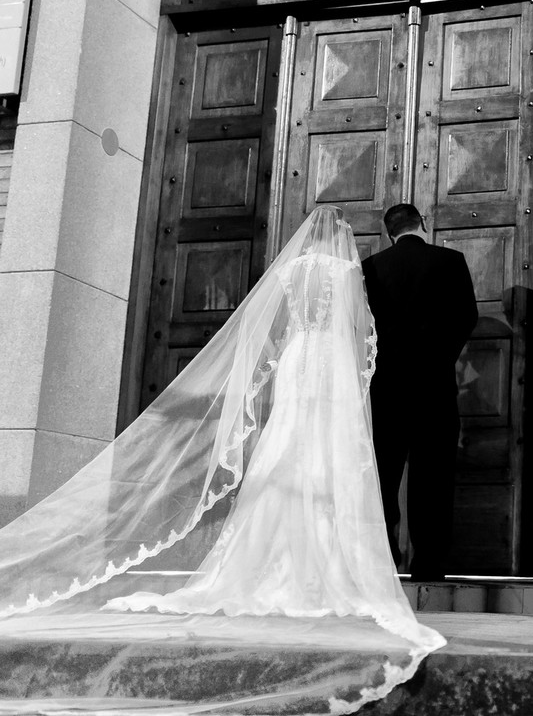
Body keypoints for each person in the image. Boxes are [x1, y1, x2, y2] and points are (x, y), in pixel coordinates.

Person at [0, 205, 443, 715]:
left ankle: (261, 557)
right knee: (332, 453)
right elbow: (360, 334)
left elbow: (276, 330)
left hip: (298, 361)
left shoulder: (293, 269)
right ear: (342, 236)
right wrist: (359, 374)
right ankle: (332, 558)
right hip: (333, 367)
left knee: (287, 444)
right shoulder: (348, 271)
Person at [362, 204, 478, 582]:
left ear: (389, 232)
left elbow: (362, 325)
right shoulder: (450, 260)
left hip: (386, 388)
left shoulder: (371, 267)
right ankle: (428, 564)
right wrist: (442, 357)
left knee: (383, 474)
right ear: (423, 224)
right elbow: (467, 316)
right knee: (434, 475)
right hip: (434, 386)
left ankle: (383, 559)